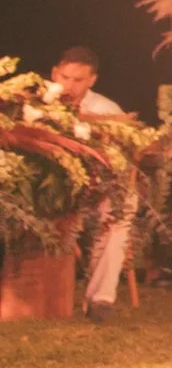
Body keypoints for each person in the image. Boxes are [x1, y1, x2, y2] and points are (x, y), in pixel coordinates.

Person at [51, 49, 136, 319]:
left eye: (78, 80)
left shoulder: (105, 108)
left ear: (92, 80)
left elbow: (128, 149)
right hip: (46, 191)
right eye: (65, 77)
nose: (69, 85)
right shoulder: (34, 100)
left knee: (119, 212)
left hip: (93, 189)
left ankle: (100, 299)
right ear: (55, 73)